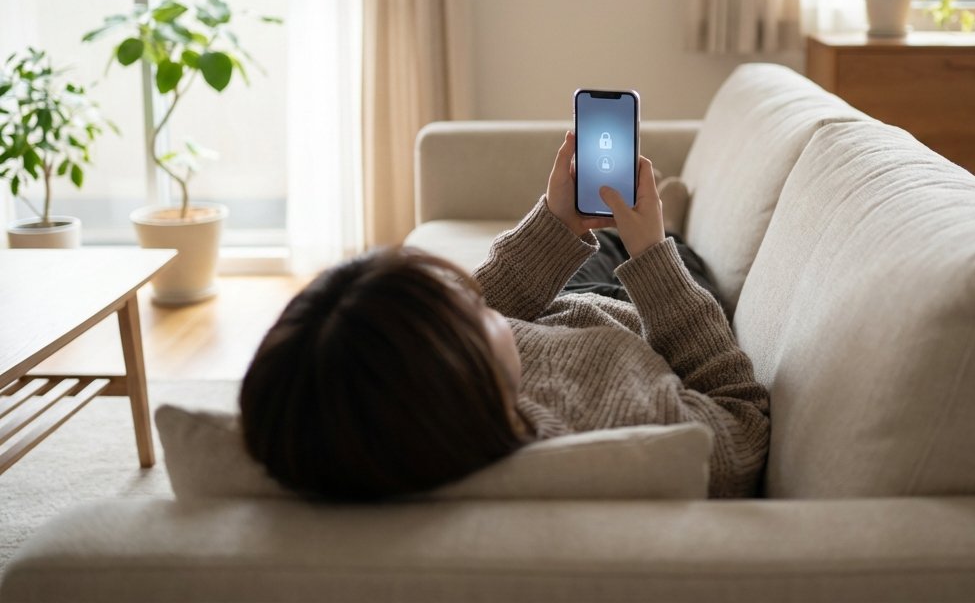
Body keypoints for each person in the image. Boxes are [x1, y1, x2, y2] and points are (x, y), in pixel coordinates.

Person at [240, 131, 770, 500]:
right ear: (461, 371)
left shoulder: (408, 403)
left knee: (605, 238)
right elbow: (740, 425)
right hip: (648, 321)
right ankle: (663, 227)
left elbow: (482, 305)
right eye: (467, 313)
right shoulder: (620, 427)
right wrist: (652, 256)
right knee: (669, 250)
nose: (473, 300)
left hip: (569, 312)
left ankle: (637, 227)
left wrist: (556, 221)